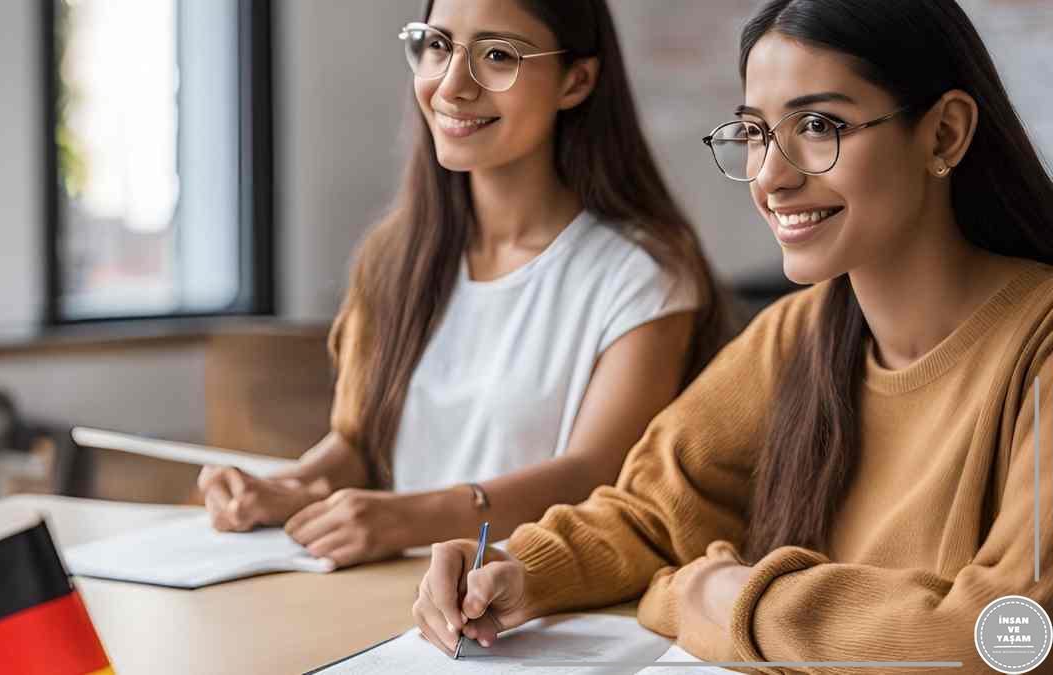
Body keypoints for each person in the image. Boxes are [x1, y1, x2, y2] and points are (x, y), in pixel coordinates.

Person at [412, 0, 1053, 668]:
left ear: (944, 134)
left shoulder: (1038, 346)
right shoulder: (796, 334)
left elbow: (1014, 634)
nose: (771, 176)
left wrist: (723, 596)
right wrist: (518, 569)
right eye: (754, 133)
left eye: (817, 124)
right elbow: (653, 514)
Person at [197, 0, 731, 569]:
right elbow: (360, 444)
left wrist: (406, 517)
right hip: (381, 591)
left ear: (576, 81)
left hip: (527, 604)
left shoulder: (642, 273)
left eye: (498, 55)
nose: (452, 86)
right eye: (437, 46)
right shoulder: (392, 258)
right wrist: (291, 485)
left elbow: (596, 475)